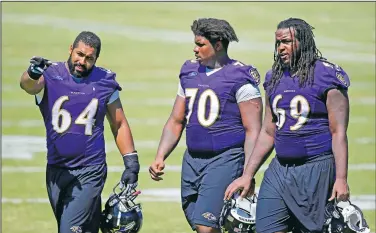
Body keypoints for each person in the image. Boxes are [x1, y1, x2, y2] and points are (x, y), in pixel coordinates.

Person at [224, 18, 351, 233]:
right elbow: (268, 131)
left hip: (316, 167)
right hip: (279, 169)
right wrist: (247, 175)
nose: (280, 47)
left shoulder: (326, 75)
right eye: (277, 43)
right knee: (266, 228)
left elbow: (338, 132)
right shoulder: (273, 77)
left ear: (303, 41)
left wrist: (341, 179)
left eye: (286, 42)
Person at [149, 18, 263, 233]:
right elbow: (176, 120)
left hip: (225, 157)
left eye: (201, 44)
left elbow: (253, 130)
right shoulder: (189, 72)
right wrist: (160, 156)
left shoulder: (240, 76)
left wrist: (248, 173)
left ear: (218, 45)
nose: (195, 49)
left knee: (206, 226)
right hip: (192, 159)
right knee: (201, 222)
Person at [19, 31, 140, 233]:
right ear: (71, 49)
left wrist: (131, 162)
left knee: (69, 230)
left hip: (90, 170)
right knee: (85, 229)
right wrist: (32, 72)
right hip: (57, 169)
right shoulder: (50, 74)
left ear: (96, 59)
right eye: (79, 54)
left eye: (89, 58)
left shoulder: (104, 81)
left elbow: (118, 123)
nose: (82, 61)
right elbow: (28, 86)